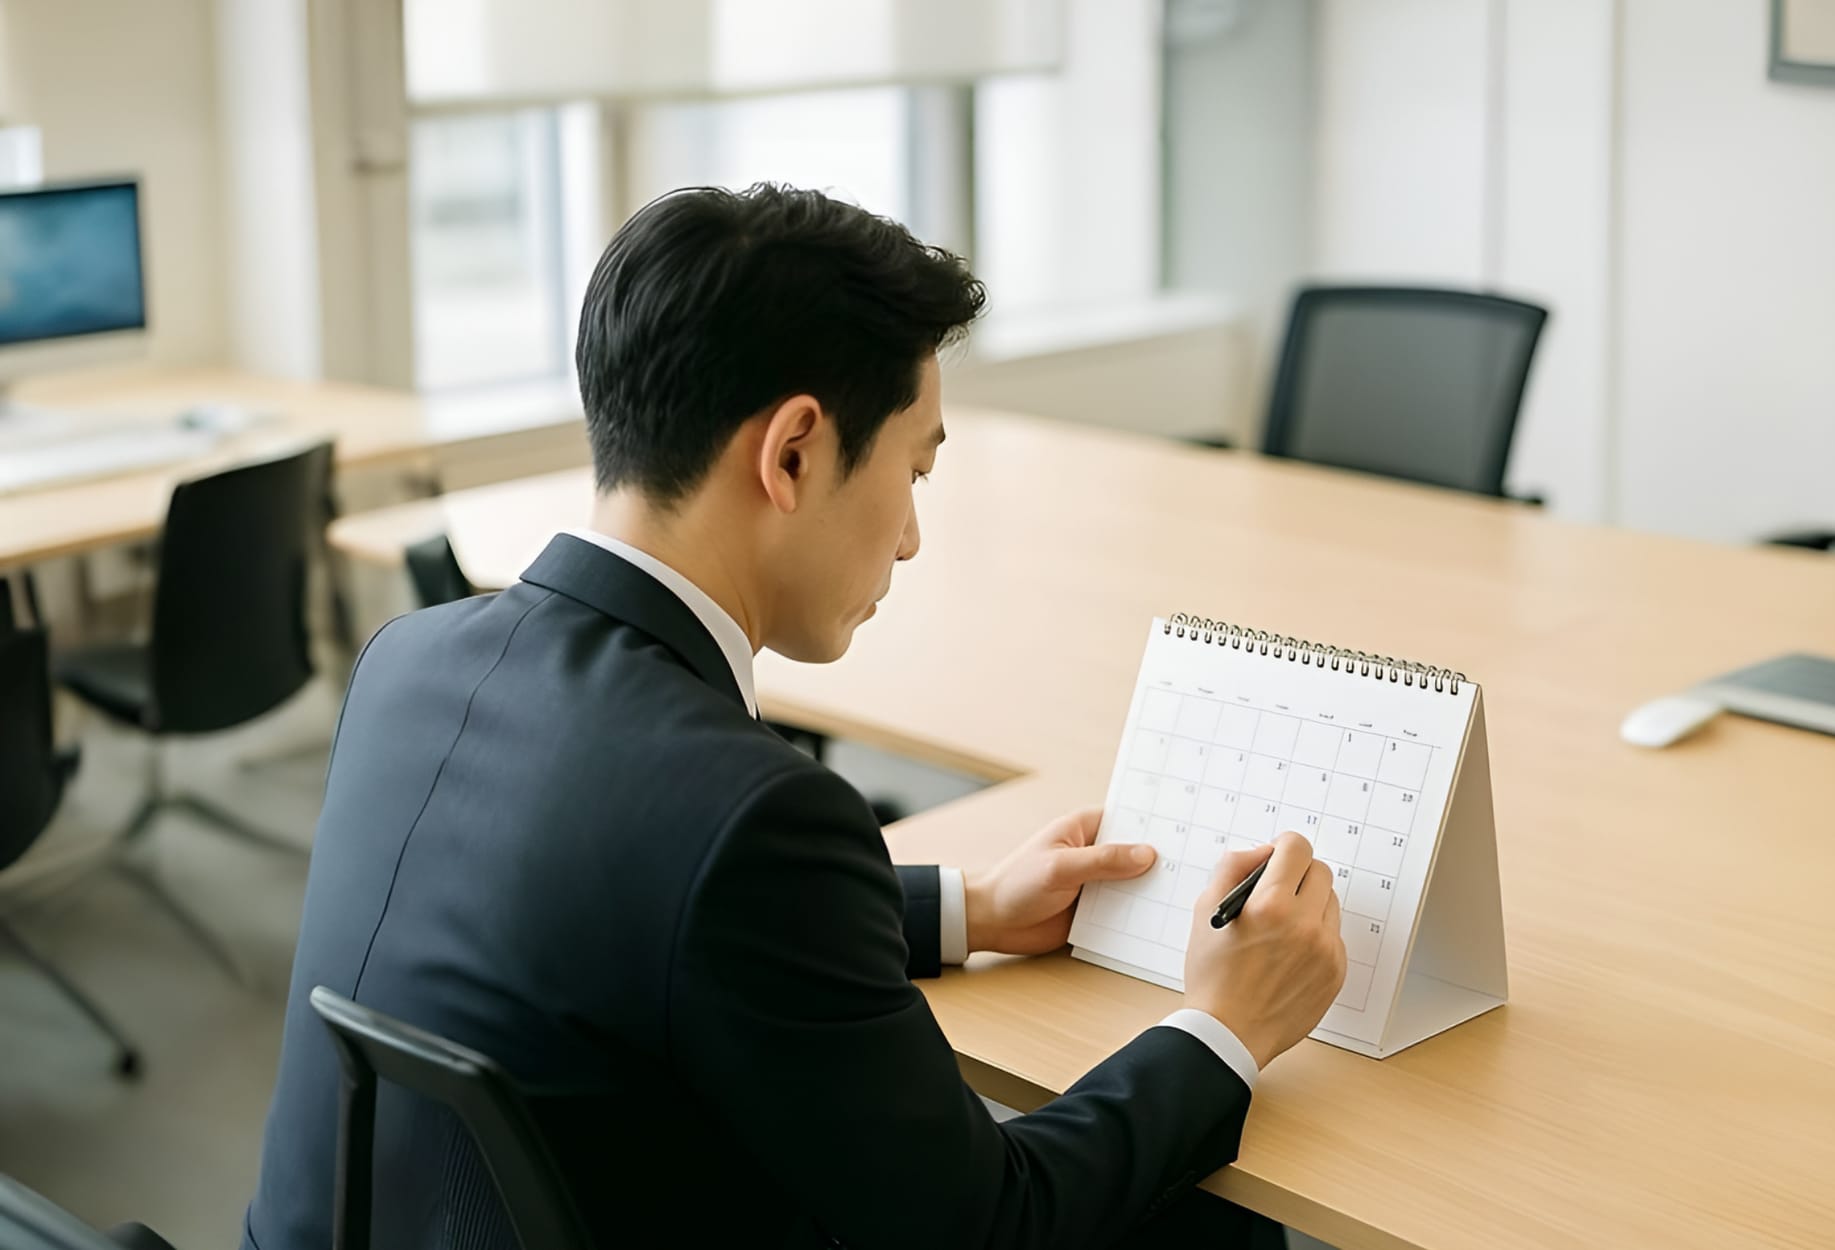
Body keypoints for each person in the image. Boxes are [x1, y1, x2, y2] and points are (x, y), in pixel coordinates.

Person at [240, 184, 1347, 1250]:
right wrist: (1224, 1022)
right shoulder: (751, 814)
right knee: (1192, 1206)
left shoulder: (409, 661)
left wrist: (968, 909)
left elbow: (624, 905)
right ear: (794, 451)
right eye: (913, 470)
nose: (910, 536)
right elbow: (990, 1222)